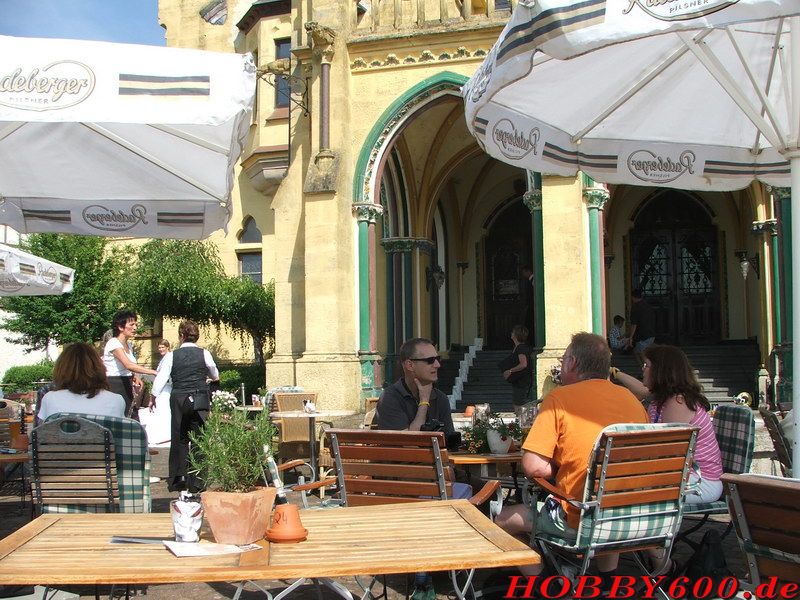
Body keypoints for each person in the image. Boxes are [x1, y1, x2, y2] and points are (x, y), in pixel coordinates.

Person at [495, 332, 648, 589]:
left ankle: (546, 583)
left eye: (564, 358)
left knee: (499, 521)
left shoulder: (560, 399)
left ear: (572, 363)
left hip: (580, 519)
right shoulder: (631, 400)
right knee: (606, 493)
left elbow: (533, 467)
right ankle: (607, 580)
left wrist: (562, 463)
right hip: (631, 515)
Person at [376, 337, 464, 600]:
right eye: (430, 360)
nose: (437, 364)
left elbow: (448, 445)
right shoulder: (391, 398)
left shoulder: (441, 398)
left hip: (432, 481)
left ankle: (458, 562)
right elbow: (407, 446)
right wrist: (423, 403)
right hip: (400, 488)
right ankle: (430, 573)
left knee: (483, 491)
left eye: (438, 359)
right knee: (465, 497)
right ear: (409, 365)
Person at [613, 345, 723, 506]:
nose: (642, 369)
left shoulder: (678, 403)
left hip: (701, 482)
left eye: (646, 365)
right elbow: (641, 391)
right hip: (683, 476)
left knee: (624, 487)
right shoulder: (661, 401)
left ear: (660, 371)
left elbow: (666, 454)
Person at [152, 320, 219, 492]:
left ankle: (179, 478)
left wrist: (153, 396)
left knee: (179, 437)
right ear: (197, 337)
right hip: (199, 398)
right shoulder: (204, 354)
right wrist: (210, 379)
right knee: (199, 438)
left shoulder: (172, 356)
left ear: (181, 336)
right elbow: (214, 373)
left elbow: (161, 378)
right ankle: (197, 481)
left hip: (179, 398)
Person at [38, 343, 126, 421]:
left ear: (61, 369)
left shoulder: (50, 399)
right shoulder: (116, 401)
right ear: (99, 368)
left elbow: (40, 432)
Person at [102, 310, 157, 420]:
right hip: (115, 385)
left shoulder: (129, 344)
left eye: (136, 324)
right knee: (120, 418)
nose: (135, 328)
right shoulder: (113, 343)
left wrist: (135, 376)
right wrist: (153, 372)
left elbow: (129, 367)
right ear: (120, 327)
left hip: (126, 384)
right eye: (131, 325)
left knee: (131, 417)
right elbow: (128, 364)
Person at [139, 339, 172, 447]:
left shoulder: (168, 358)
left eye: (163, 347)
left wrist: (153, 394)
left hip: (165, 388)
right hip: (162, 388)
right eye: (159, 347)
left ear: (167, 347)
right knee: (161, 412)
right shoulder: (164, 359)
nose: (161, 349)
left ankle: (165, 435)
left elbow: (162, 377)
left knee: (164, 411)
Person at [500, 325, 534, 423]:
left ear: (516, 335)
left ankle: (522, 423)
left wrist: (510, 371)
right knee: (517, 403)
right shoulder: (517, 347)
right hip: (518, 381)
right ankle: (521, 422)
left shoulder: (521, 348)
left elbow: (523, 364)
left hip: (522, 381)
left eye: (513, 332)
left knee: (519, 405)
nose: (511, 333)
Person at [625, 288, 656, 365]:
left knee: (641, 354)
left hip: (642, 336)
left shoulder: (635, 308)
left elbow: (634, 324)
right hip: (651, 334)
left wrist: (631, 337)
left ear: (633, 297)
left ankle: (648, 369)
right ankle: (645, 369)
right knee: (640, 352)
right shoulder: (648, 306)